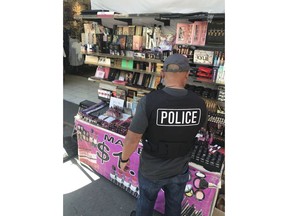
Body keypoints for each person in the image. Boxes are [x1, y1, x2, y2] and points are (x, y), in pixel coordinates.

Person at [119, 54, 208, 216]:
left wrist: (123, 159)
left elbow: (132, 138)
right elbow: (196, 130)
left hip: (152, 170)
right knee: (174, 207)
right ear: (187, 74)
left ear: (162, 74)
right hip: (180, 169)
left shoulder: (149, 101)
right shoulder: (199, 104)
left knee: (145, 203)